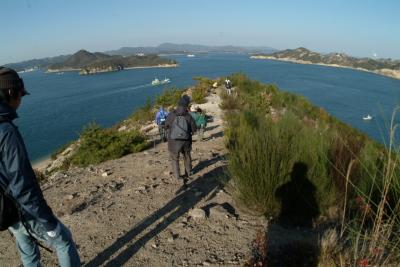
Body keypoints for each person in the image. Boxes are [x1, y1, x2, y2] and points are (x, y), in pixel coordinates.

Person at [0, 67, 81, 267]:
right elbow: (22, 184)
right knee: (63, 242)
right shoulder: (6, 131)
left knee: (28, 253)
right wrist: (48, 221)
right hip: (23, 208)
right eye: (20, 94)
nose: (21, 100)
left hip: (5, 207)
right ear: (11, 93)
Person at [165, 95, 197, 184]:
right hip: (186, 141)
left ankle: (177, 176)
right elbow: (194, 129)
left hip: (173, 142)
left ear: (178, 105)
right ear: (186, 105)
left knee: (175, 158)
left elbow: (166, 126)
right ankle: (189, 172)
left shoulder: (171, 114)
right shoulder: (188, 116)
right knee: (187, 156)